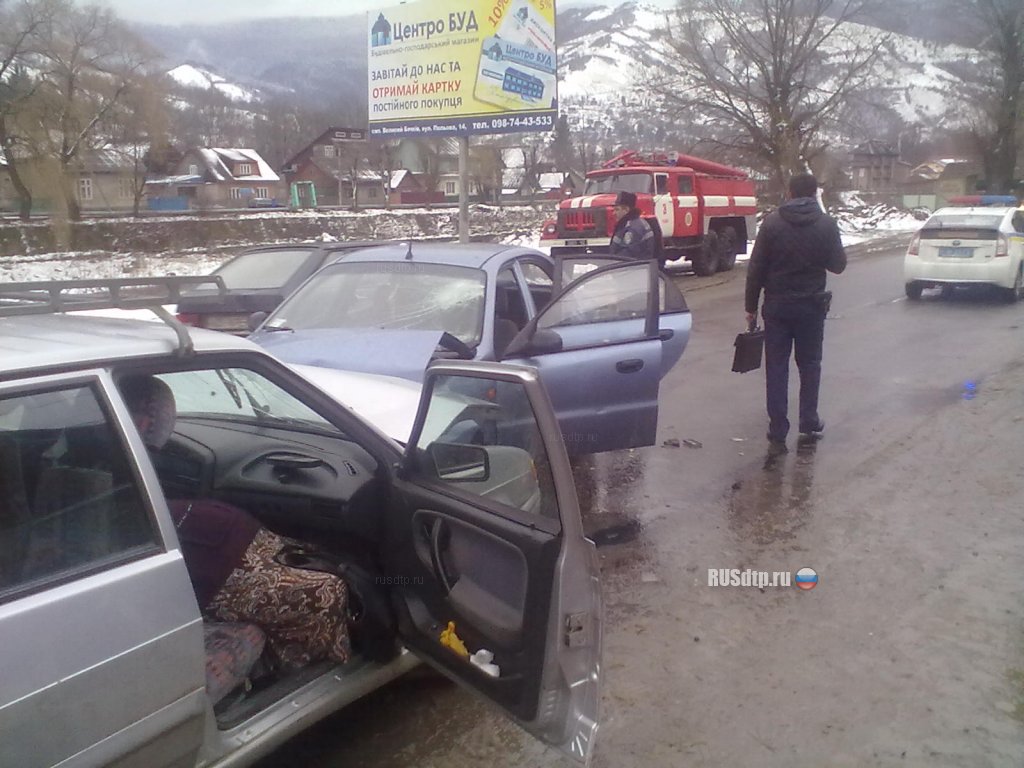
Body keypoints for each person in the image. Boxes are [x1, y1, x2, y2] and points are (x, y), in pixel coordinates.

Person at [120, 375, 352, 670]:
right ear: (143, 423)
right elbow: (140, 520)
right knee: (327, 589)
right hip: (204, 564)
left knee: (312, 559)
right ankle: (308, 664)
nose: (157, 422)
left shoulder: (91, 453)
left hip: (216, 548)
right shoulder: (113, 471)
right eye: (151, 415)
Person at [744, 173, 847, 450]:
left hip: (777, 307)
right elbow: (839, 265)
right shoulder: (826, 224)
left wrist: (750, 307)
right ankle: (809, 420)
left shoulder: (772, 223)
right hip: (811, 308)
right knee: (810, 365)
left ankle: (778, 428)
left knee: (776, 367)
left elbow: (756, 270)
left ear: (789, 192)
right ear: (814, 194)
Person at [609, 190, 656, 261]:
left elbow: (627, 255)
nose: (614, 213)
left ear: (626, 210)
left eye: (617, 210)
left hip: (634, 269)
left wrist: (610, 263)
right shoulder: (628, 224)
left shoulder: (633, 228)